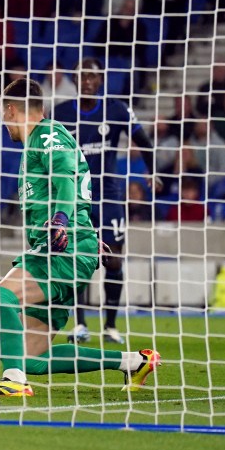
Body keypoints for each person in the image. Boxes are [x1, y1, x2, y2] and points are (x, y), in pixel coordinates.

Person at [0, 78, 159, 398]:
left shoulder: (48, 135)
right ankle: (134, 362)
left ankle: (12, 381)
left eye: (4, 114)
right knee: (33, 360)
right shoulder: (41, 140)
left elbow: (66, 177)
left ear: (12, 110)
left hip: (61, 250)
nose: (3, 123)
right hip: (69, 248)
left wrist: (62, 222)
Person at [52, 58, 161, 345]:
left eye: (93, 76)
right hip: (75, 197)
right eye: (83, 75)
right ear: (76, 80)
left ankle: (110, 325)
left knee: (112, 260)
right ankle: (79, 324)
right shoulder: (61, 113)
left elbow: (143, 140)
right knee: (76, 259)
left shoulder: (116, 109)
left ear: (101, 81)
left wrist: (152, 170)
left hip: (110, 195)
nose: (88, 81)